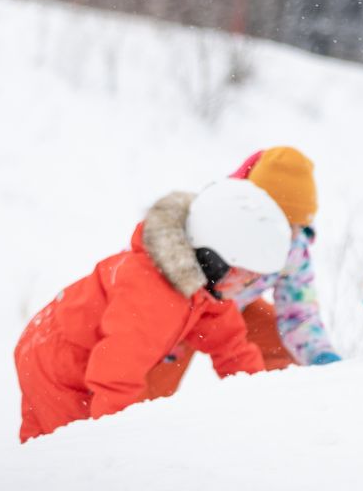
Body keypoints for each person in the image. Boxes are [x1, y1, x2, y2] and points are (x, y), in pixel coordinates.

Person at [15, 178, 290, 441]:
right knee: (69, 446)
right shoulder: (151, 296)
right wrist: (117, 451)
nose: (247, 286)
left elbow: (231, 346)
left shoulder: (201, 288)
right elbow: (117, 378)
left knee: (56, 443)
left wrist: (256, 403)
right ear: (213, 260)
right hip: (60, 362)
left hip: (75, 350)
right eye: (244, 275)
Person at [141, 146, 342, 401]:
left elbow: (297, 312)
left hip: (233, 307)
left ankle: (281, 401)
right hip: (182, 308)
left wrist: (320, 354)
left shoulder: (293, 246)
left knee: (279, 342)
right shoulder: (212, 223)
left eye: (298, 225)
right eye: (284, 224)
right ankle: (131, 418)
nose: (291, 234)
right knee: (149, 374)